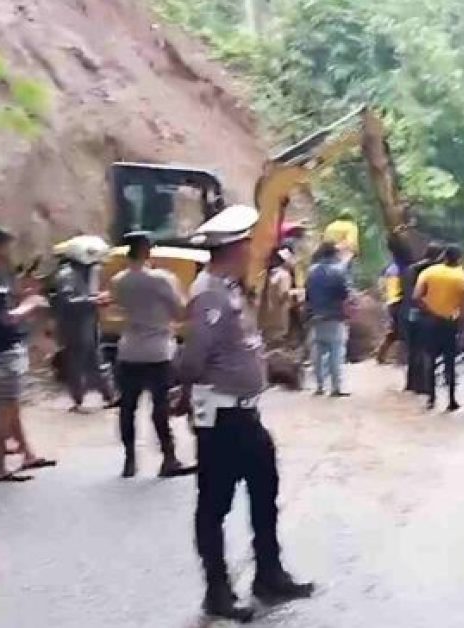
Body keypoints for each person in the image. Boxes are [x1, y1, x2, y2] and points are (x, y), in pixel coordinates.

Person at [178, 204, 314, 622]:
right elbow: (192, 359)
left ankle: (269, 574)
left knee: (264, 492)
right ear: (232, 249)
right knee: (214, 505)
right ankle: (217, 591)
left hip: (245, 414)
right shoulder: (210, 296)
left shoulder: (230, 290)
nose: (251, 252)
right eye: (246, 245)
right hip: (223, 417)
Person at [0, 227, 56, 483]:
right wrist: (31, 305)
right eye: (5, 248)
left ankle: (27, 454)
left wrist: (22, 296)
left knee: (11, 405)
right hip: (2, 350)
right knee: (5, 409)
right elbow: (6, 318)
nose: (9, 253)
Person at [110, 232, 188, 479]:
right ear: (147, 250)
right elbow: (179, 312)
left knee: (128, 407)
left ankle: (130, 460)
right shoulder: (162, 279)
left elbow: (120, 306)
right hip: (158, 350)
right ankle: (168, 457)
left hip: (129, 349)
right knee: (160, 407)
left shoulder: (118, 280)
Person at [51, 236, 117, 412]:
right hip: (74, 326)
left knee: (97, 360)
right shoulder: (67, 275)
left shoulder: (86, 272)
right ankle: (79, 399)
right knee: (76, 363)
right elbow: (67, 301)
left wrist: (96, 299)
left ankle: (109, 396)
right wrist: (94, 301)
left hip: (88, 323)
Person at [415, 244, 464, 411]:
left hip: (430, 322)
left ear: (444, 256)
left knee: (430, 359)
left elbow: (416, 296)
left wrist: (429, 311)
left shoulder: (429, 272)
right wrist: (462, 327)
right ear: (459, 258)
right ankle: (451, 400)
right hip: (450, 323)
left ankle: (431, 398)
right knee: (450, 362)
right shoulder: (462, 277)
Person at [305, 242, 352, 397]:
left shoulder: (311, 271)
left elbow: (307, 295)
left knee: (318, 352)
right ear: (334, 254)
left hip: (316, 317)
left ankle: (319, 386)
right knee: (336, 352)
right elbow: (345, 294)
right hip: (334, 317)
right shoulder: (338, 271)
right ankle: (336, 387)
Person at [402, 242, 443, 394]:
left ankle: (412, 383)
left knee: (413, 349)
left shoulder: (411, 269)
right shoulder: (433, 271)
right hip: (426, 313)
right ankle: (425, 384)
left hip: (409, 311)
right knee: (427, 349)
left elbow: (406, 291)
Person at [373, 242, 410, 364]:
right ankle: (406, 358)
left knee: (395, 331)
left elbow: (383, 288)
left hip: (393, 302)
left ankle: (381, 355)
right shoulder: (399, 269)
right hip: (398, 303)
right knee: (403, 330)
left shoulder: (391, 268)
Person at [260, 248, 294, 347]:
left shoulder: (270, 274)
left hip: (267, 318)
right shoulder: (284, 275)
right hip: (280, 318)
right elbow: (284, 294)